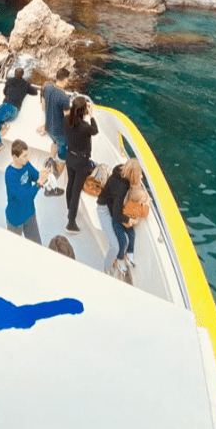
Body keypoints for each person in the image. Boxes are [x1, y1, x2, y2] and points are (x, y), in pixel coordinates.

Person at [96, 159, 143, 275]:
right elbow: (117, 215)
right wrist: (129, 220)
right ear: (133, 175)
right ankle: (106, 269)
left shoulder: (121, 171)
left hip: (113, 206)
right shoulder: (121, 187)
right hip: (104, 209)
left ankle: (123, 257)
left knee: (129, 234)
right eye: (138, 175)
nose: (140, 177)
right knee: (114, 246)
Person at [4, 140, 51, 243]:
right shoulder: (10, 174)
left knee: (36, 245)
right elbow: (25, 197)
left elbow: (35, 175)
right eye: (24, 156)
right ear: (15, 157)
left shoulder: (26, 164)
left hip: (29, 214)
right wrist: (39, 183)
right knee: (14, 247)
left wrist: (43, 175)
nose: (27, 158)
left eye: (27, 155)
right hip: (15, 219)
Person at [64, 95, 99, 234]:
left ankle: (69, 209)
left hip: (70, 157)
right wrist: (91, 115)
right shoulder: (85, 127)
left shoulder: (66, 120)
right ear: (83, 110)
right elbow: (95, 131)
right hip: (81, 161)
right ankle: (71, 223)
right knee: (76, 191)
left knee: (70, 183)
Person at [0, 67, 38, 157]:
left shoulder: (9, 81)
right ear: (23, 75)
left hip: (6, 106)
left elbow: (4, 91)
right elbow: (35, 92)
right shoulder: (26, 84)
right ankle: (2, 126)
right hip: (14, 113)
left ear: (14, 73)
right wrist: (26, 88)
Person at [41, 68, 71, 182]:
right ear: (65, 79)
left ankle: (50, 159)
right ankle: (54, 181)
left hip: (49, 128)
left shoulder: (48, 88)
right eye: (68, 79)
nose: (68, 81)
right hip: (60, 132)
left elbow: (44, 104)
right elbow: (67, 117)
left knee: (54, 142)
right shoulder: (64, 97)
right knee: (62, 158)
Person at [113, 182, 150, 268]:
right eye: (143, 199)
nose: (144, 200)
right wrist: (147, 203)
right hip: (120, 223)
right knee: (123, 242)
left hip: (127, 224)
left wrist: (146, 203)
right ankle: (119, 260)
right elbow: (144, 214)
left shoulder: (136, 204)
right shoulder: (131, 207)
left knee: (132, 235)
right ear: (137, 200)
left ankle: (130, 254)